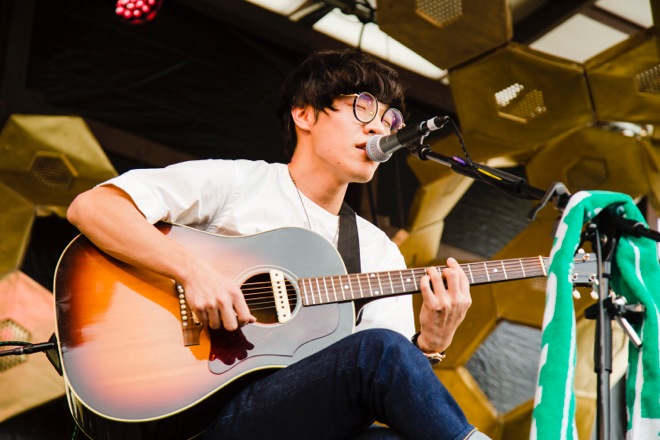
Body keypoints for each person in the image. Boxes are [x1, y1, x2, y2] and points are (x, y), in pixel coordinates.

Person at [67, 48, 488, 440]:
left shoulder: (378, 251)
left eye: (391, 121)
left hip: (294, 420)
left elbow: (381, 382)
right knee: (381, 351)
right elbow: (94, 207)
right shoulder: (239, 184)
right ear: (304, 113)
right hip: (201, 414)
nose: (381, 127)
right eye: (362, 107)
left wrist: (430, 346)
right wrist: (193, 271)